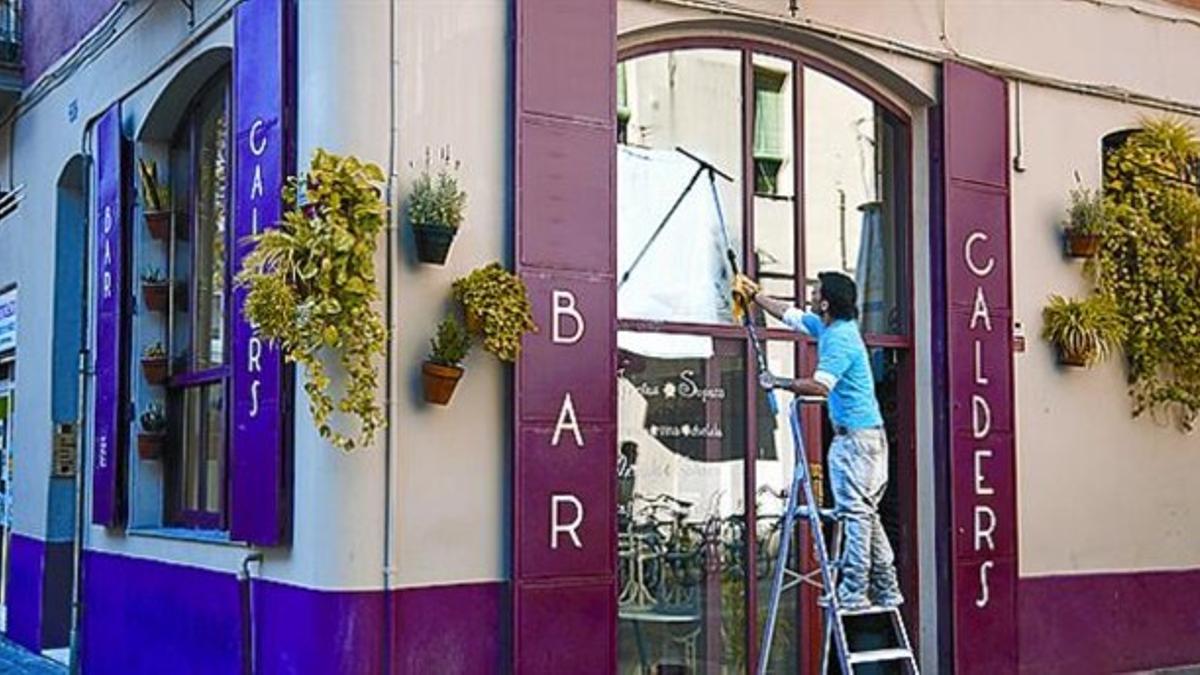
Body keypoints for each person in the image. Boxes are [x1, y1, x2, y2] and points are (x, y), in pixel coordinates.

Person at [735, 271, 902, 610]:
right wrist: (755, 296)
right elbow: (790, 315)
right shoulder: (829, 326)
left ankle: (854, 592)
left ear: (825, 302)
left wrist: (778, 382)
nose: (810, 294)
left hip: (856, 443)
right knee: (866, 515)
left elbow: (821, 386)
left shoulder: (840, 338)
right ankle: (886, 587)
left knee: (855, 515)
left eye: (815, 292)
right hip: (864, 440)